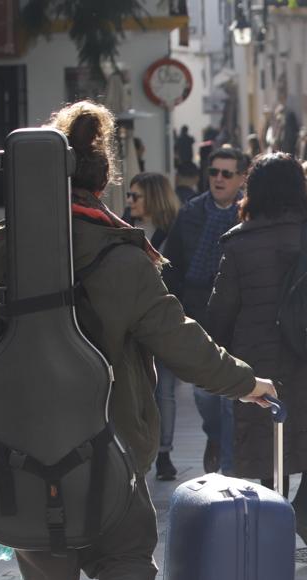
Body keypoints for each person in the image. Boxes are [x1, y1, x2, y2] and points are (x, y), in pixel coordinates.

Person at [0, 101, 277, 580]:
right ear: (101, 183)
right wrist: (245, 382)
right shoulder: (124, 258)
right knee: (129, 557)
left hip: (16, 457)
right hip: (106, 454)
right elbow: (181, 342)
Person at [205, 153, 307, 555]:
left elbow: (220, 310)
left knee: (268, 445)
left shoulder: (238, 244)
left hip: (261, 361)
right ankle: (304, 507)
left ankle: (277, 522)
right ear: (301, 189)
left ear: (252, 191)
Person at [161, 145, 250, 475]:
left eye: (227, 173)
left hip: (239, 318)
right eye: (213, 172)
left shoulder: (250, 215)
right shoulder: (191, 212)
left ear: (242, 178)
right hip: (199, 313)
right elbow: (173, 265)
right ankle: (214, 437)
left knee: (230, 398)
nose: (219, 179)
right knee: (205, 395)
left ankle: (228, 469)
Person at [128, 172, 184, 481]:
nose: (130, 202)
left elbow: (180, 275)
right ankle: (136, 451)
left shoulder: (173, 230)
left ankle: (164, 453)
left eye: (135, 196)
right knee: (133, 390)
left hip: (163, 321)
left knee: (165, 391)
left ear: (153, 197)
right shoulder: (121, 227)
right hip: (128, 322)